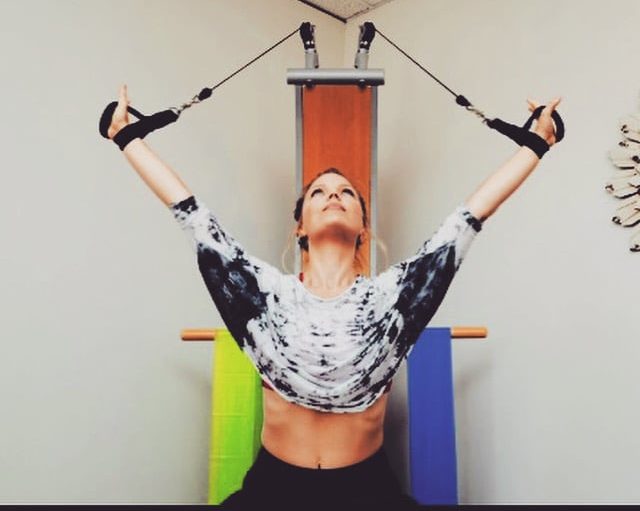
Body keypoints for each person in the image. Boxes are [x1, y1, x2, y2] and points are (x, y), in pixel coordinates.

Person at [105, 85, 562, 510]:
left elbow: (470, 217)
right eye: (319, 192)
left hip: (367, 489)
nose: (333, 195)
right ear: (299, 226)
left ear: (364, 225)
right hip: (273, 489)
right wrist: (128, 138)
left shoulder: (395, 300)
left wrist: (536, 145)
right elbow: (191, 215)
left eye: (346, 192)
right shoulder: (264, 296)